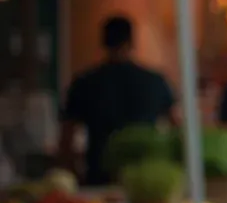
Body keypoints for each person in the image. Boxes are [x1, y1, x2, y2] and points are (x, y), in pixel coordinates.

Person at [59, 15, 177, 186]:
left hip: (99, 175)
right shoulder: (155, 81)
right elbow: (177, 130)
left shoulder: (85, 83)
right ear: (132, 42)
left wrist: (76, 175)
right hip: (146, 177)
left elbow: (66, 139)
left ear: (103, 42)